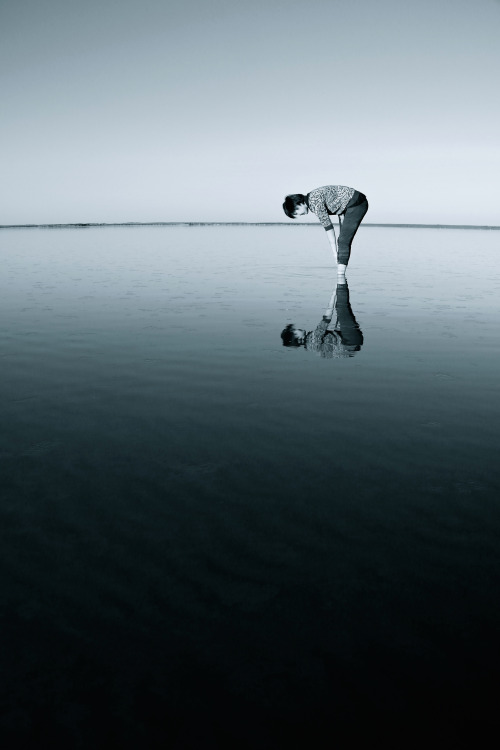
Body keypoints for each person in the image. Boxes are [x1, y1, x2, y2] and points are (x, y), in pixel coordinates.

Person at [282, 185, 368, 274]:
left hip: (357, 203)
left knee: (343, 241)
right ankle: (341, 272)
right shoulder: (311, 197)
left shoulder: (314, 202)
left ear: (299, 204)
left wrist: (334, 253)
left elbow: (328, 228)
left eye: (297, 212)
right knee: (342, 240)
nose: (299, 215)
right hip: (349, 205)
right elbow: (337, 202)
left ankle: (340, 275)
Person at [280, 279, 363, 358]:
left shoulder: (310, 347)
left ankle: (342, 279)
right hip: (350, 341)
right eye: (295, 330)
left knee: (340, 307)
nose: (298, 329)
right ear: (298, 338)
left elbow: (333, 347)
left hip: (351, 344)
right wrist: (334, 292)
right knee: (342, 306)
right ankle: (341, 277)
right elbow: (327, 317)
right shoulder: (313, 339)